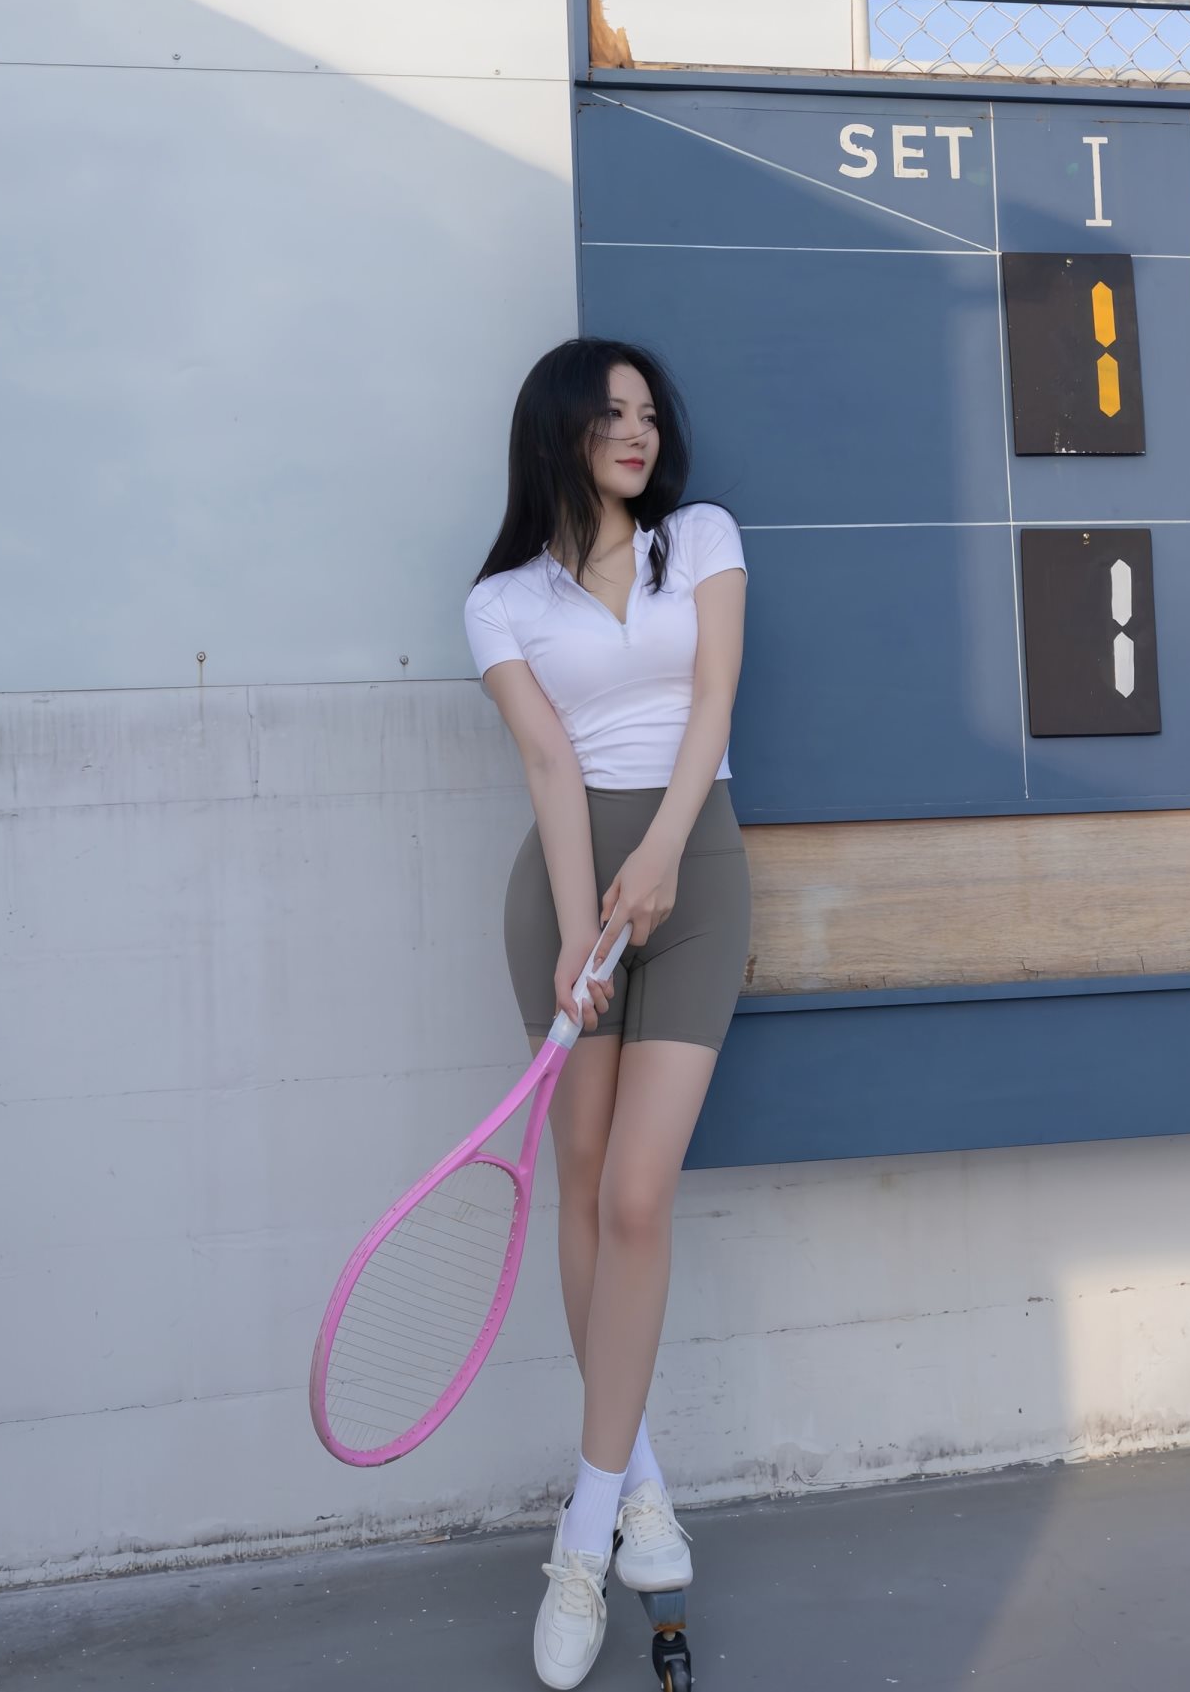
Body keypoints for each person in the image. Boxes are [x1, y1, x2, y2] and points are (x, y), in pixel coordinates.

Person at [463, 336, 752, 1689]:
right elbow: (548, 766)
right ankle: (639, 1487)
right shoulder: (501, 602)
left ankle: (583, 1535)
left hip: (695, 881)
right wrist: (583, 930)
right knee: (578, 1185)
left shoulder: (701, 540)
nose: (637, 432)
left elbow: (713, 704)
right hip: (574, 893)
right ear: (559, 432)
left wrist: (662, 860)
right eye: (610, 414)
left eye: (648, 412)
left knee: (637, 1194)